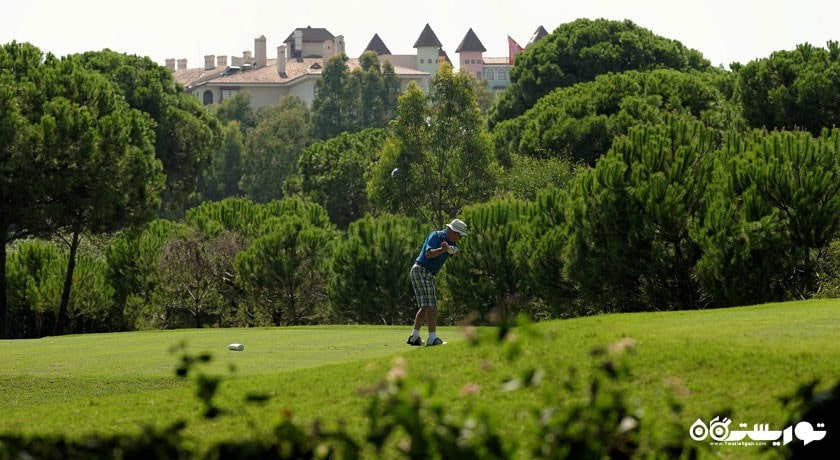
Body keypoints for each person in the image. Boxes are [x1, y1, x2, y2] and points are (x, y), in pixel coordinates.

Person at [407, 218, 468, 346]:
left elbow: (456, 252)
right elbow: (428, 254)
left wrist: (453, 250)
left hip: (425, 273)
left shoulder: (450, 241)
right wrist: (442, 250)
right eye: (460, 236)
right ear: (454, 232)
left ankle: (414, 336)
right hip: (421, 270)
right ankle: (432, 338)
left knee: (425, 306)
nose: (460, 238)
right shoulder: (436, 236)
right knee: (432, 306)